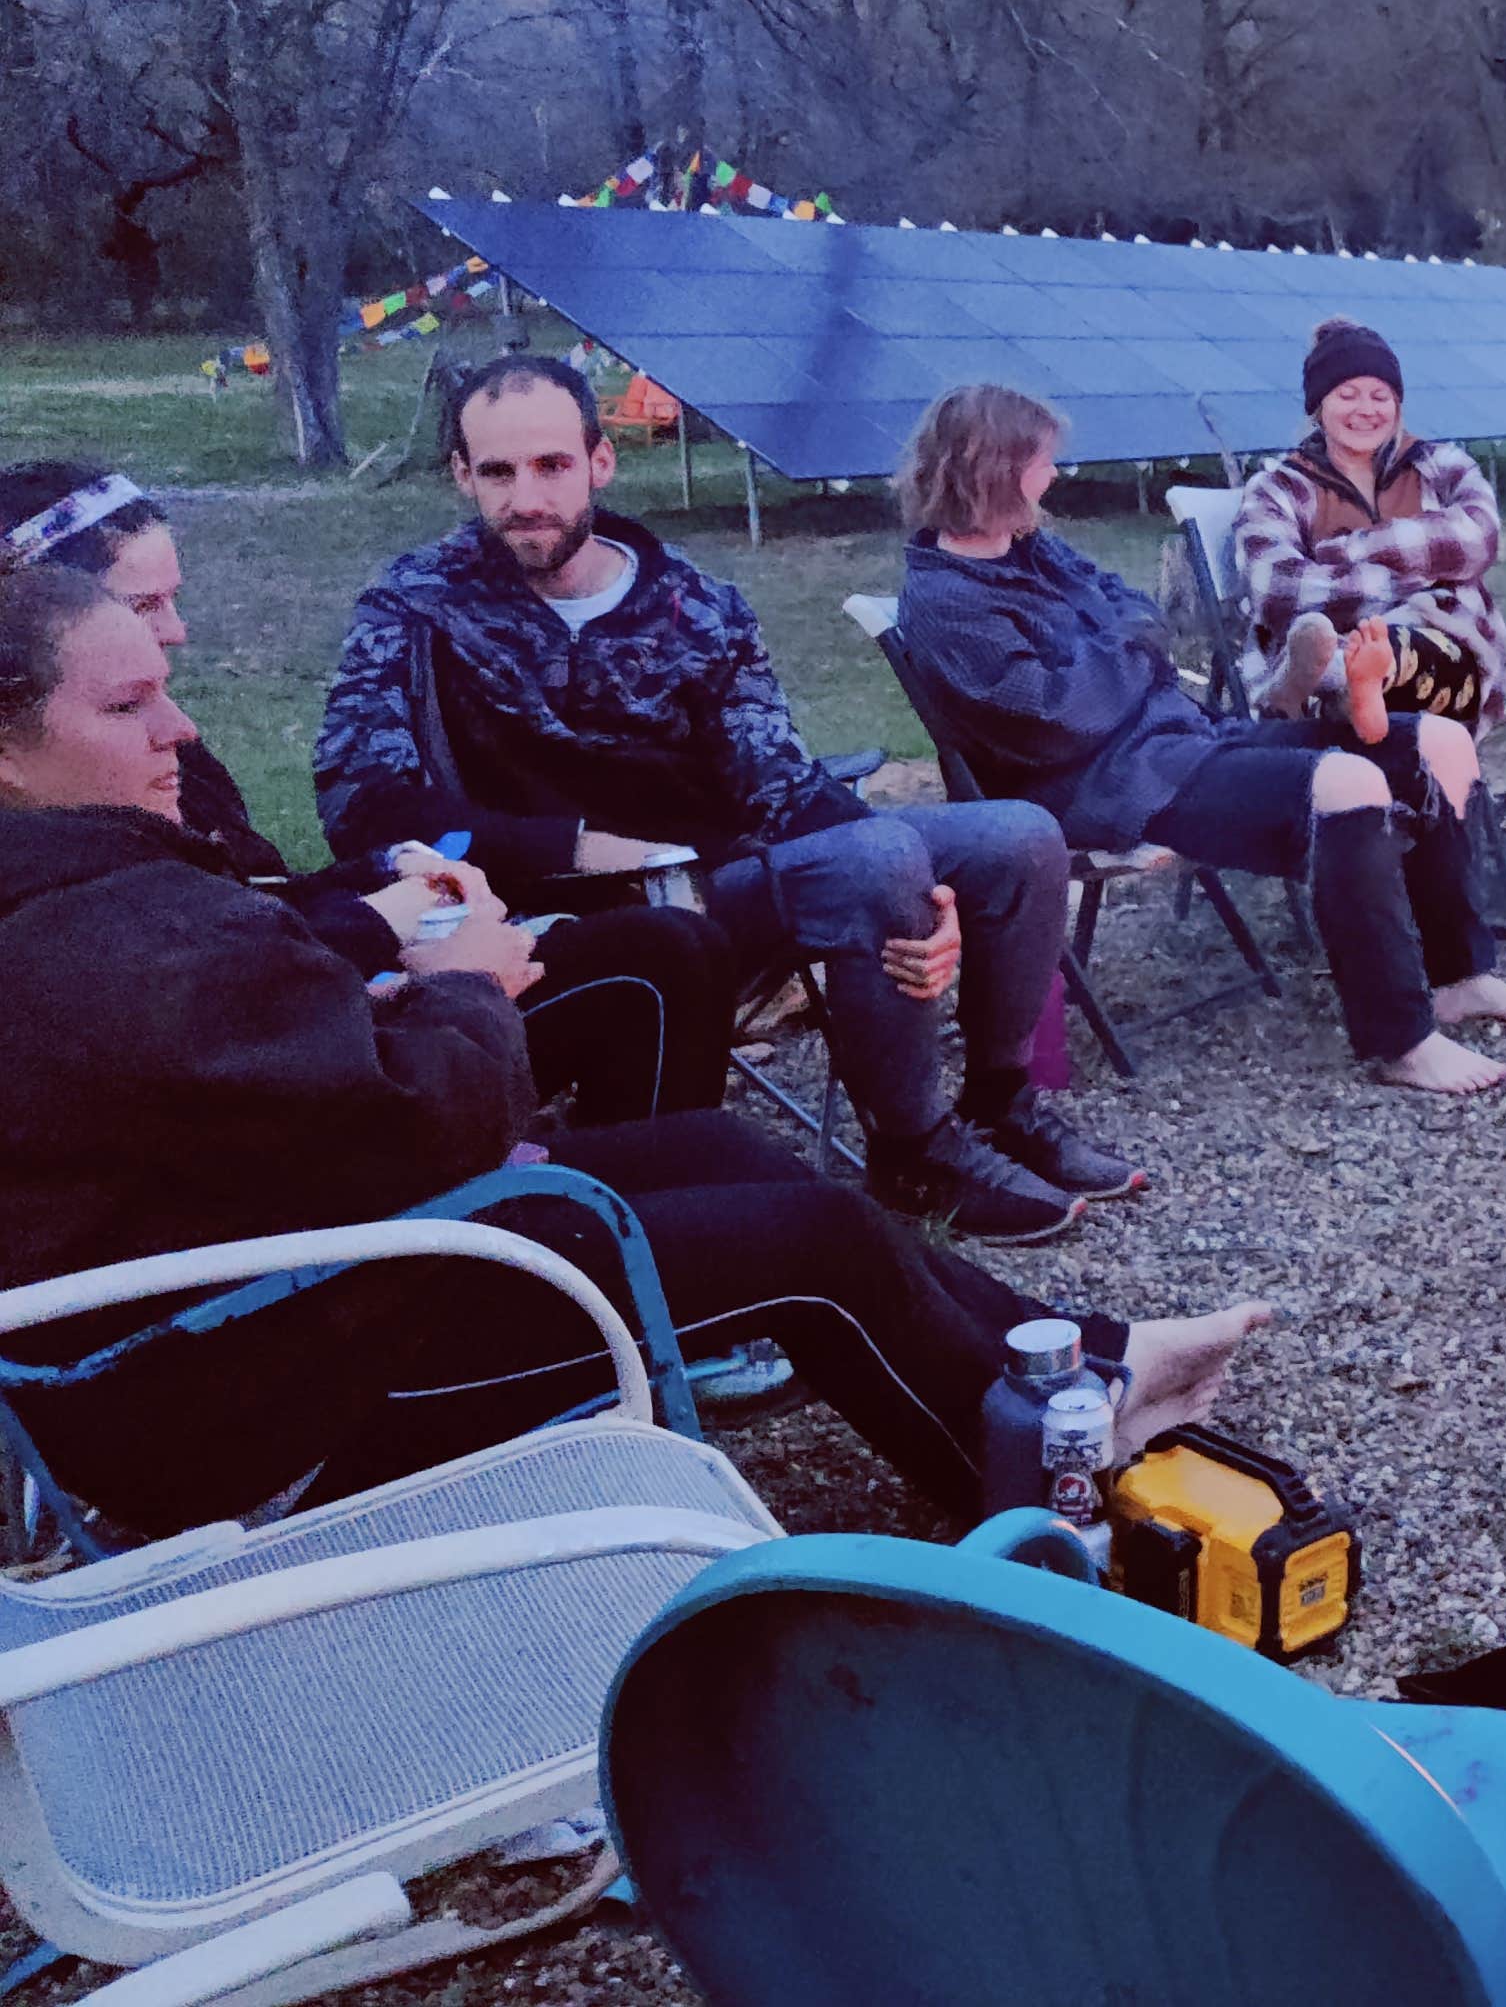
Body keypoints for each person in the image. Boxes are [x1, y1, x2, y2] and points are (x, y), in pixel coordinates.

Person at [0, 562, 1274, 1539]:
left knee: (719, 1143)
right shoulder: (94, 932)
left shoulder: (84, 892)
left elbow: (264, 1087)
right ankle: (1037, 1502)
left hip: (256, 1286)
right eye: (128, 702)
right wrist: (464, 987)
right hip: (237, 1389)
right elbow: (415, 1116)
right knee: (812, 1248)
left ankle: (1075, 1361)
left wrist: (398, 980)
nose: (180, 729)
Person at [314, 355, 1124, 1243]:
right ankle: (911, 1151)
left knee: (1019, 837)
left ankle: (1002, 1098)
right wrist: (577, 845)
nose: (525, 498)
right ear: (463, 475)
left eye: (550, 466)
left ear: (601, 461)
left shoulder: (693, 605)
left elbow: (779, 785)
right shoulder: (417, 605)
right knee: (880, 858)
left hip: (720, 890)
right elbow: (364, 805)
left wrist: (933, 908)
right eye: (498, 472)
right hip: (543, 920)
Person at [3, 456, 739, 1124]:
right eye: (143, 606)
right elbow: (212, 990)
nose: (177, 630)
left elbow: (250, 904)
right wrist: (395, 931)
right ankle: (612, 1206)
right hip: (324, 1077)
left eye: (172, 599)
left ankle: (628, 1187)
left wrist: (388, 875)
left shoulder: (161, 753)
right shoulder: (68, 819)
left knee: (673, 946)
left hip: (327, 1013)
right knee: (661, 962)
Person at [893, 384, 1506, 1101]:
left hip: (1179, 741)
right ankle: (1400, 1038)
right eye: (1041, 461)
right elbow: (1060, 714)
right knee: (1349, 783)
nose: (1054, 475)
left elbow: (1135, 610)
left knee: (1432, 742)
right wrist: (1132, 652)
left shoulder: (1030, 549)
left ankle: (1461, 975)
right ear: (991, 467)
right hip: (1107, 785)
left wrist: (1123, 651)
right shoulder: (946, 600)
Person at [1228, 318, 1506, 729]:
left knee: (1401, 650)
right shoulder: (1280, 486)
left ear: (1398, 404)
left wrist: (1344, 552)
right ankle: (1338, 681)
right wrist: (1423, 578)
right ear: (1318, 405)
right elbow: (1276, 586)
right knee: (1339, 643)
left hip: (1442, 648)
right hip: (1329, 637)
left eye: (1380, 396)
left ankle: (1339, 678)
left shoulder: (1440, 465)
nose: (1366, 410)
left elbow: (1477, 538)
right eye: (1348, 395)